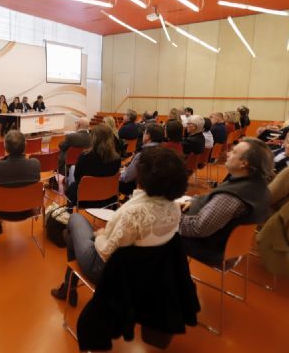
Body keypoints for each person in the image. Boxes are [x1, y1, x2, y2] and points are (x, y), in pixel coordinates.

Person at [51, 147, 188, 306]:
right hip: (147, 274)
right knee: (71, 237)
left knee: (74, 221)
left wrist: (100, 235)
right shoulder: (174, 209)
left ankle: (68, 288)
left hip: (108, 272)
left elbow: (105, 252)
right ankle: (68, 286)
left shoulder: (133, 213)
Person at [179, 138, 273, 265]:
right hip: (228, 246)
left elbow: (198, 229)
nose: (228, 154)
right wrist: (195, 201)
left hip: (209, 247)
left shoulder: (232, 196)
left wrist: (168, 218)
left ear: (244, 164)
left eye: (234, 152)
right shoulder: (259, 186)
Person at [0, 130, 41, 234]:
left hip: (2, 212)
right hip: (28, 209)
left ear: (5, 147)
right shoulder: (35, 164)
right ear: (25, 146)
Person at [65, 125, 121, 207]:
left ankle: (69, 210)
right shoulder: (117, 158)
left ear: (93, 139)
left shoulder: (84, 156)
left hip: (85, 197)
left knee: (73, 173)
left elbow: (77, 177)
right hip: (107, 197)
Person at [119, 123, 164, 195]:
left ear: (148, 136)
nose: (143, 135)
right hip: (158, 190)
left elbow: (127, 177)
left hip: (141, 189)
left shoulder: (142, 155)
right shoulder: (165, 152)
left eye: (144, 133)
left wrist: (119, 174)